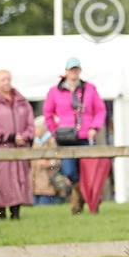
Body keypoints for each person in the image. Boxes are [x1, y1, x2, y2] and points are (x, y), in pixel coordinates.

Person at [44, 57, 107, 214]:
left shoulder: (90, 89)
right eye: (71, 69)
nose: (74, 72)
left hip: (86, 136)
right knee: (70, 172)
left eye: (76, 69)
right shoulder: (55, 91)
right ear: (66, 71)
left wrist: (95, 127)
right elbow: (48, 113)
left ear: (80, 70)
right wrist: (54, 130)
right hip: (65, 137)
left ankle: (80, 205)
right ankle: (84, 196)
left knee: (88, 173)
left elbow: (100, 110)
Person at [0, 70, 35, 220]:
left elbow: (30, 124)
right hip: (1, 148)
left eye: (8, 79)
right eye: (3, 79)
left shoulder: (22, 102)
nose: (6, 82)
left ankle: (16, 214)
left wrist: (23, 136)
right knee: (2, 181)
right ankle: (1, 213)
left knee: (19, 179)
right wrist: (9, 136)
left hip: (20, 148)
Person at [30, 116, 66, 206]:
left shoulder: (52, 140)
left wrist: (50, 163)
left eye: (36, 128)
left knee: (45, 205)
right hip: (35, 183)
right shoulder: (35, 141)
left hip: (49, 182)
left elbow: (60, 158)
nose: (34, 130)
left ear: (43, 129)